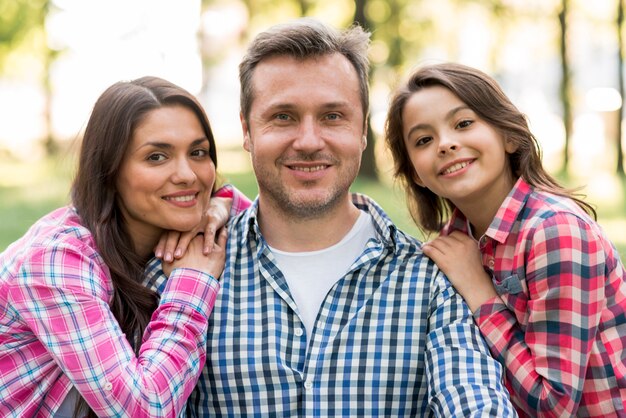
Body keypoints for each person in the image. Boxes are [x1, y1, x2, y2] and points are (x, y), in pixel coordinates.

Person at [145, 19, 517, 417]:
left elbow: (475, 402)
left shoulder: (434, 281)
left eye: (332, 116)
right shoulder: (182, 271)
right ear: (247, 130)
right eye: (283, 117)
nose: (308, 141)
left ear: (361, 131)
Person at [385, 62, 626, 417]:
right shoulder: (453, 245)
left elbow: (553, 406)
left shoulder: (555, 232)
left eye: (464, 123)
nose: (446, 144)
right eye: (424, 140)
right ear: (416, 174)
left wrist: (480, 292)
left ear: (509, 136)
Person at [0, 76, 230, 417]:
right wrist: (191, 282)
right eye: (156, 157)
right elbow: (143, 410)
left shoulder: (146, 227)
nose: (187, 175)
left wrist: (218, 204)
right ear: (110, 170)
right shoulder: (57, 261)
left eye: (198, 152)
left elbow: (236, 200)